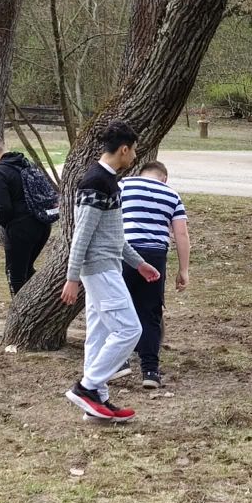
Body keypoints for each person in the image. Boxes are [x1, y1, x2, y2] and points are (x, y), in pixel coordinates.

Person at [61, 120, 160, 423]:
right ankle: (87, 387)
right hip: (100, 270)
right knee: (130, 329)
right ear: (123, 150)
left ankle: (97, 404)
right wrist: (72, 277)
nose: (135, 157)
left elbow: (113, 237)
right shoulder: (96, 182)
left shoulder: (108, 181)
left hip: (106, 266)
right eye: (135, 151)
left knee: (98, 334)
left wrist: (138, 263)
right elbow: (82, 235)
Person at [116, 161, 190, 389]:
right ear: (164, 178)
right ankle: (150, 371)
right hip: (155, 255)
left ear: (142, 173)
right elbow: (181, 234)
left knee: (119, 306)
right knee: (150, 312)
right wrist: (183, 270)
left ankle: (119, 361)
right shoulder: (172, 195)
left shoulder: (123, 185)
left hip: (124, 251)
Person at [0, 135, 52, 296]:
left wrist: (4, 225)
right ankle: (39, 300)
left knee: (14, 274)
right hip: (43, 225)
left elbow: (4, 207)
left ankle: (21, 308)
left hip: (20, 229)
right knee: (27, 269)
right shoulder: (25, 163)